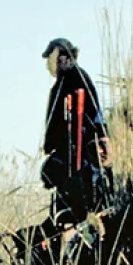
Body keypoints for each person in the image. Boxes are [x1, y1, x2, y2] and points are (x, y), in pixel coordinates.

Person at [39, 37, 111, 224]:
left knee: (79, 198)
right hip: (68, 151)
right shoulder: (64, 81)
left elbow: (93, 113)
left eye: (51, 59)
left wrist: (101, 137)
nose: (49, 66)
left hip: (80, 151)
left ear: (63, 58)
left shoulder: (76, 77)